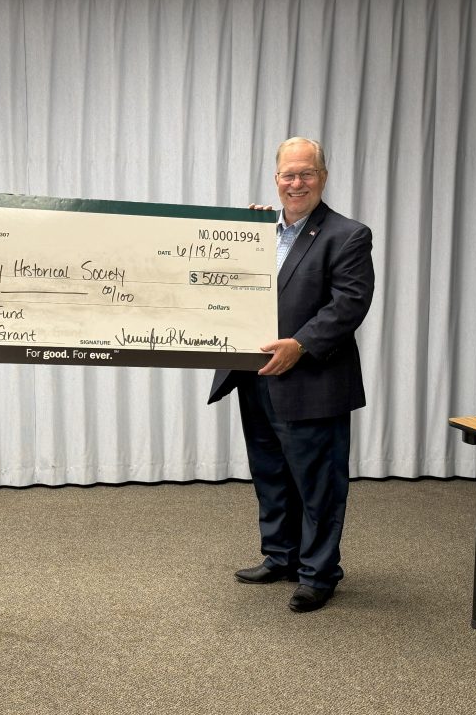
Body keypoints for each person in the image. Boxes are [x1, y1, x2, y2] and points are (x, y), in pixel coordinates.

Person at [208, 136, 374, 613]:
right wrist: (240, 237)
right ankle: (281, 556)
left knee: (318, 483)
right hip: (254, 374)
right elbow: (228, 286)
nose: (296, 183)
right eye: (288, 174)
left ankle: (319, 574)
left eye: (306, 173)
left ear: (323, 177)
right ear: (276, 178)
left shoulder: (348, 235)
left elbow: (349, 304)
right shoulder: (257, 231)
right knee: (271, 473)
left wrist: (300, 345)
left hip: (312, 380)